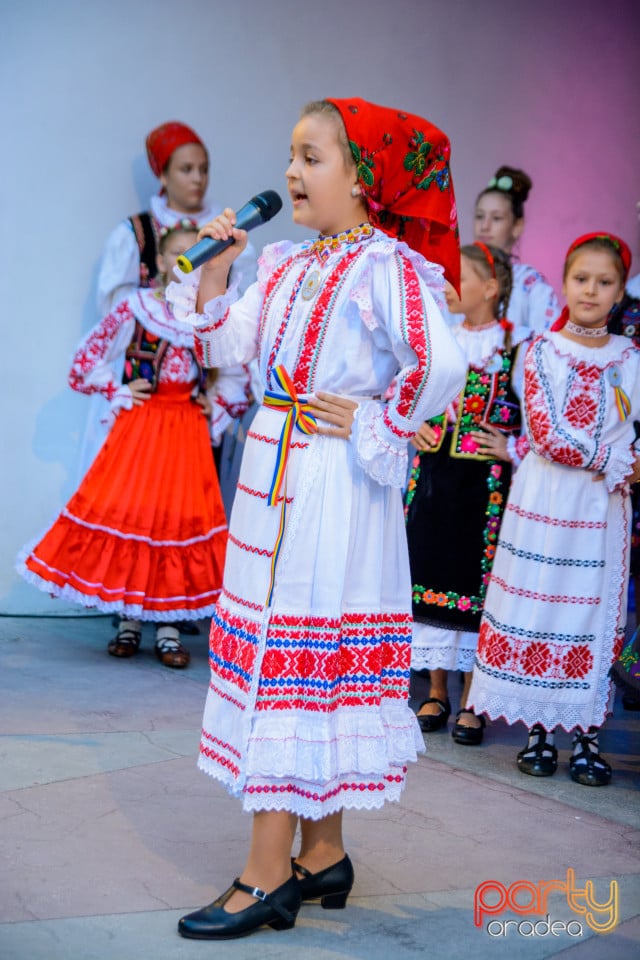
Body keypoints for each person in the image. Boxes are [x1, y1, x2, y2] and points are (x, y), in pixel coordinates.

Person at [166, 97, 467, 940]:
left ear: (365, 178)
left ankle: (266, 873)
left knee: (292, 652)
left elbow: (443, 362)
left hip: (331, 481)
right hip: (277, 464)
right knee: (301, 648)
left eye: (312, 158)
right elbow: (227, 349)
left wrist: (375, 420)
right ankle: (323, 850)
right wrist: (221, 269)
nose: (291, 173)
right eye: (291, 156)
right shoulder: (291, 264)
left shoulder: (386, 265)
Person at [18, 223, 250, 667]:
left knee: (173, 525)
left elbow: (239, 375)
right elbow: (84, 362)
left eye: (201, 253)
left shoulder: (207, 316)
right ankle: (128, 621)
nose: (192, 261)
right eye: (183, 253)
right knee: (137, 519)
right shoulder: (138, 308)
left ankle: (166, 629)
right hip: (141, 430)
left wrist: (212, 409)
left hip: (184, 432)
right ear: (161, 263)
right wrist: (118, 392)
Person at [468, 233, 640, 786]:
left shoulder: (632, 358)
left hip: (602, 507)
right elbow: (544, 434)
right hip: (546, 499)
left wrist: (629, 463)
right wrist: (614, 459)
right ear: (564, 284)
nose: (591, 289)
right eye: (581, 279)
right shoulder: (542, 349)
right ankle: (539, 729)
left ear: (620, 293)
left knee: (592, 612)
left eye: (604, 281)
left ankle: (588, 733)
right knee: (539, 605)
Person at [80, 121, 258, 476]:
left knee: (190, 479)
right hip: (146, 381)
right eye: (186, 169)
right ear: (163, 175)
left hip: (202, 380)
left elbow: (243, 309)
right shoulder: (137, 233)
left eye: (203, 170)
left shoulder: (229, 232)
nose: (197, 179)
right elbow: (114, 311)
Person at [406, 242, 530, 745]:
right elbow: (408, 398)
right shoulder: (440, 341)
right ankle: (436, 689)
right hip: (434, 481)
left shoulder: (517, 349)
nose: (450, 284)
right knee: (430, 575)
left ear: (492, 288)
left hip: (486, 491)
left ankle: (474, 697)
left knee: (479, 587)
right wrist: (414, 426)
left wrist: (511, 446)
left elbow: (534, 419)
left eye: (461, 275)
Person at [473, 165, 560, 332]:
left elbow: (546, 343)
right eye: (479, 216)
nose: (484, 226)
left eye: (496, 218)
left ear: (517, 226)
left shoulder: (529, 283)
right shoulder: (459, 279)